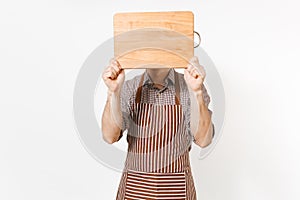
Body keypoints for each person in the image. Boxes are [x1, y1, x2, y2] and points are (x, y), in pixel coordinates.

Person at [101, 56, 215, 200]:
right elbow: (109, 136)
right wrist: (113, 92)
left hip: (176, 190)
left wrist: (197, 91)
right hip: (135, 190)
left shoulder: (191, 86)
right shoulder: (130, 87)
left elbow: (204, 140)